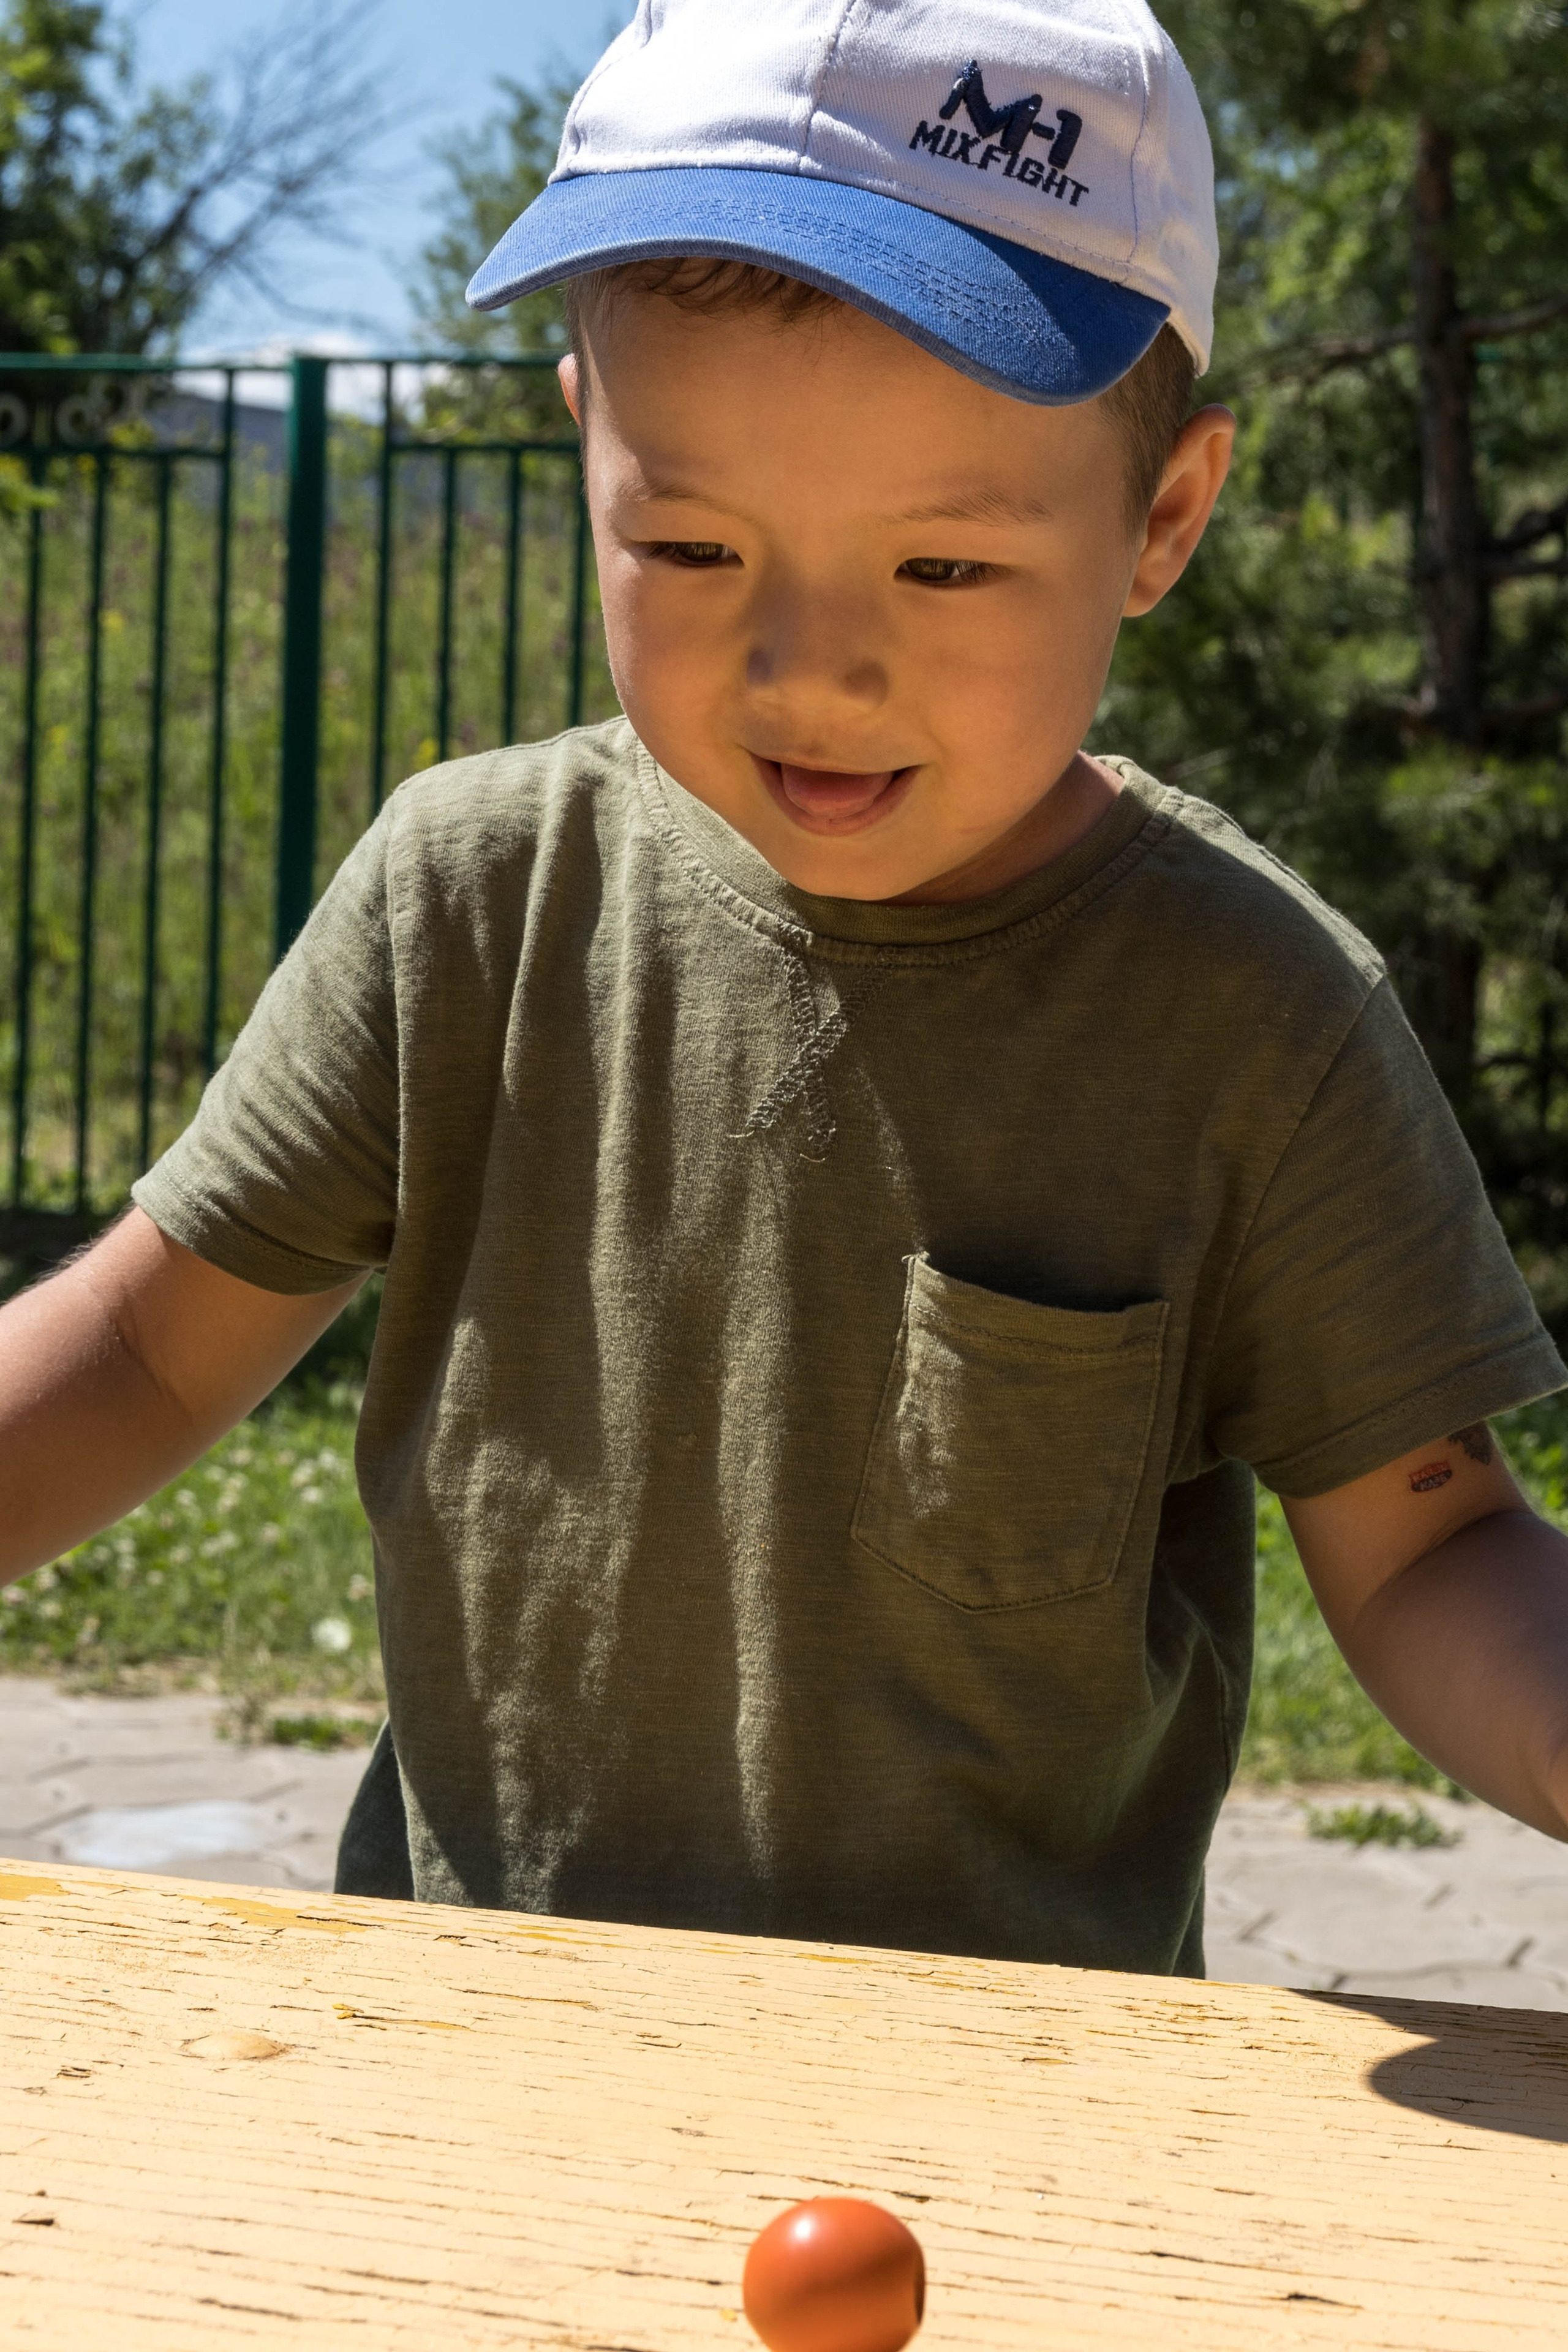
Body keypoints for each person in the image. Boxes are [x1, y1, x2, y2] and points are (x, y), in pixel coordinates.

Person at [4, 0, 1568, 1975]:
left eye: (942, 572)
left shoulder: (1254, 1012)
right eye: (693, 541)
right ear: (585, 437)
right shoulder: (468, 899)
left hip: (1011, 2119)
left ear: (1160, 519)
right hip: (473, 2062)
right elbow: (148, 1355)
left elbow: (1432, 1543)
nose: (808, 671)